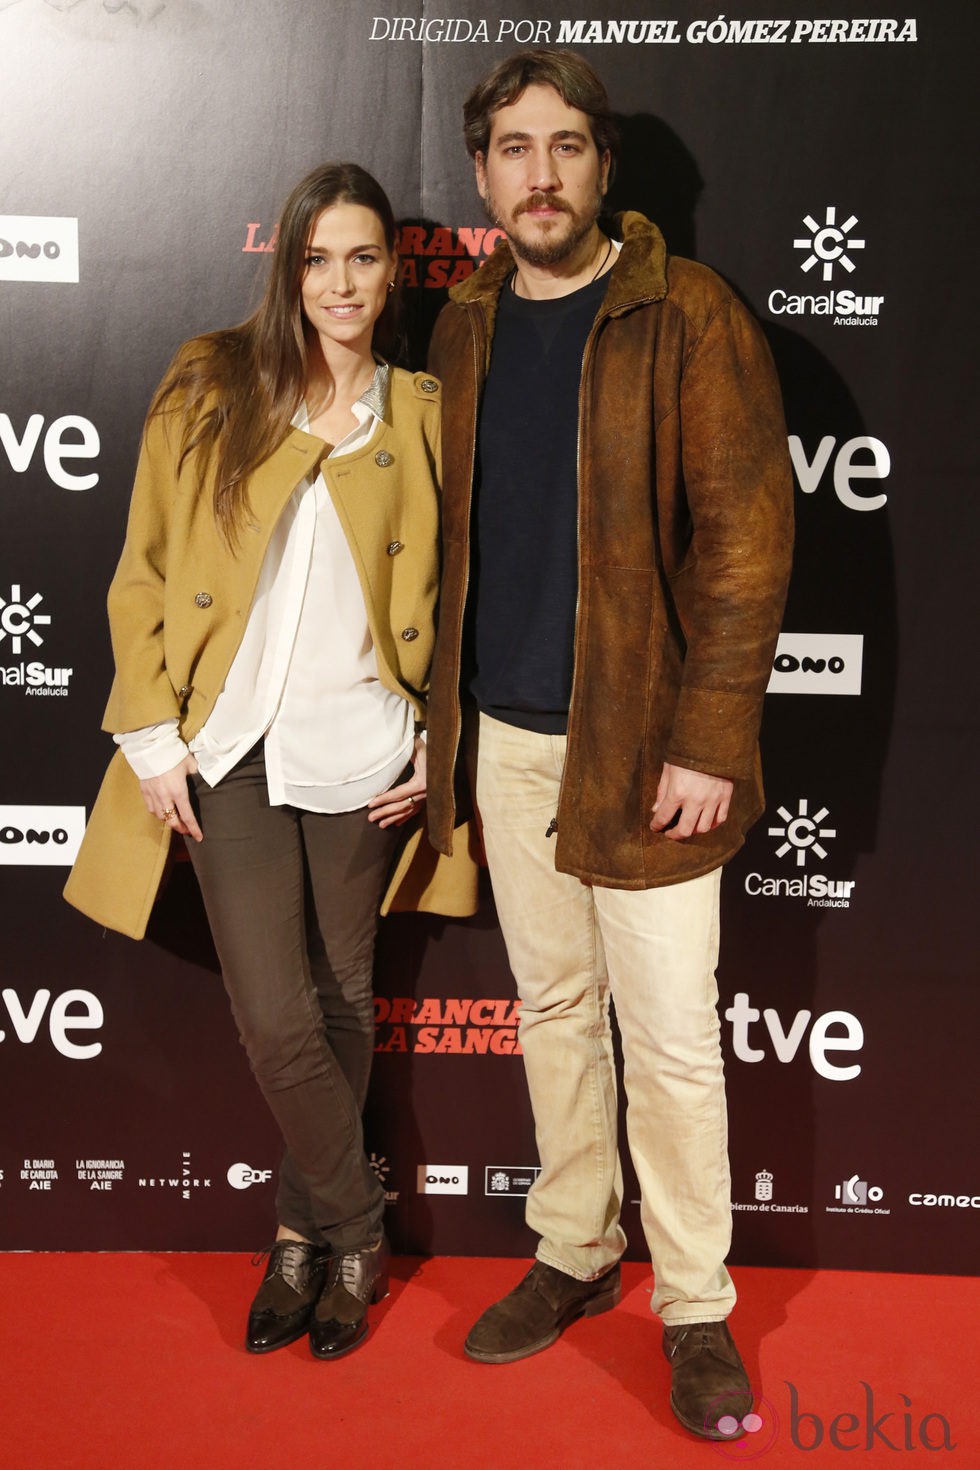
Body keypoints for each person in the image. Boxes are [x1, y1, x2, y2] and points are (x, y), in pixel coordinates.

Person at [425, 51, 793, 1441]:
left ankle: (695, 1305)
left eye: (565, 146)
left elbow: (751, 541)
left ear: (601, 168)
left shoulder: (683, 312)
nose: (540, 174)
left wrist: (709, 737)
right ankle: (575, 1249)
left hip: (650, 752)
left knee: (674, 1041)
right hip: (508, 741)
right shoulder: (459, 325)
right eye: (514, 149)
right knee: (559, 1015)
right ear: (482, 175)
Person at [65, 161, 474, 1360]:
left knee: (345, 998)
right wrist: (149, 734)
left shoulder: (423, 409)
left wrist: (434, 741)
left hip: (364, 753)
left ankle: (299, 1240)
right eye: (315, 259)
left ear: (391, 270)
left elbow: (460, 595)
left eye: (361, 258)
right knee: (276, 1010)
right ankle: (357, 1226)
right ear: (284, 265)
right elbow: (143, 563)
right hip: (224, 749)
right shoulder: (210, 386)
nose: (338, 284)